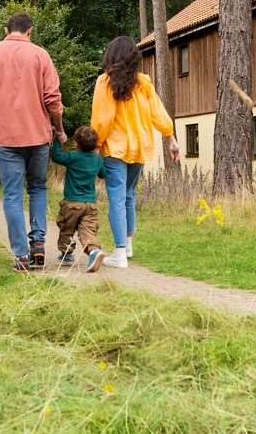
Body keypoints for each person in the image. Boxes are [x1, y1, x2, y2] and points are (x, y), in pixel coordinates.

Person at [0, 12, 65, 272]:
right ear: (30, 31)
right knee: (37, 188)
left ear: (6, 29)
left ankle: (21, 256)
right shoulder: (41, 55)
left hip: (5, 138)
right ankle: (38, 244)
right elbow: (53, 100)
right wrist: (59, 130)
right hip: (38, 136)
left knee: (12, 194)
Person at [90, 35, 180, 269]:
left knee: (117, 197)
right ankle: (127, 245)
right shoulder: (144, 82)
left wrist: (96, 145)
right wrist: (171, 137)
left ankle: (119, 253)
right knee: (129, 194)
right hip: (139, 146)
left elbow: (103, 118)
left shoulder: (105, 82)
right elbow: (157, 112)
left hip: (116, 149)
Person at [50, 125, 106, 273]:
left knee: (66, 229)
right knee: (88, 231)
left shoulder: (74, 156)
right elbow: (103, 174)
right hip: (90, 204)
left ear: (77, 143)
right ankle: (93, 251)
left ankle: (66, 255)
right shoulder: (97, 159)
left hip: (71, 203)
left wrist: (57, 139)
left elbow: (56, 156)